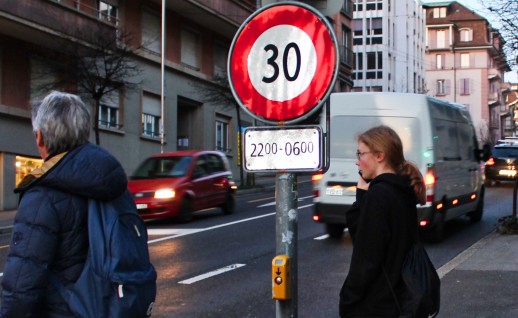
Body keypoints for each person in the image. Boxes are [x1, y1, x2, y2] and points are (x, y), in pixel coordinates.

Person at [0, 91, 129, 317]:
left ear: (40, 137)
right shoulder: (111, 181)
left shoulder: (43, 196)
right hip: (110, 307)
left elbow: (22, 284)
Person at [339, 125, 426, 317]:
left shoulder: (380, 195)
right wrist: (362, 194)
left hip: (377, 304)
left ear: (379, 156)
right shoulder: (400, 190)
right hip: (397, 299)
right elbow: (362, 235)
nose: (357, 161)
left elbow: (366, 256)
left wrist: (348, 298)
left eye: (360, 154)